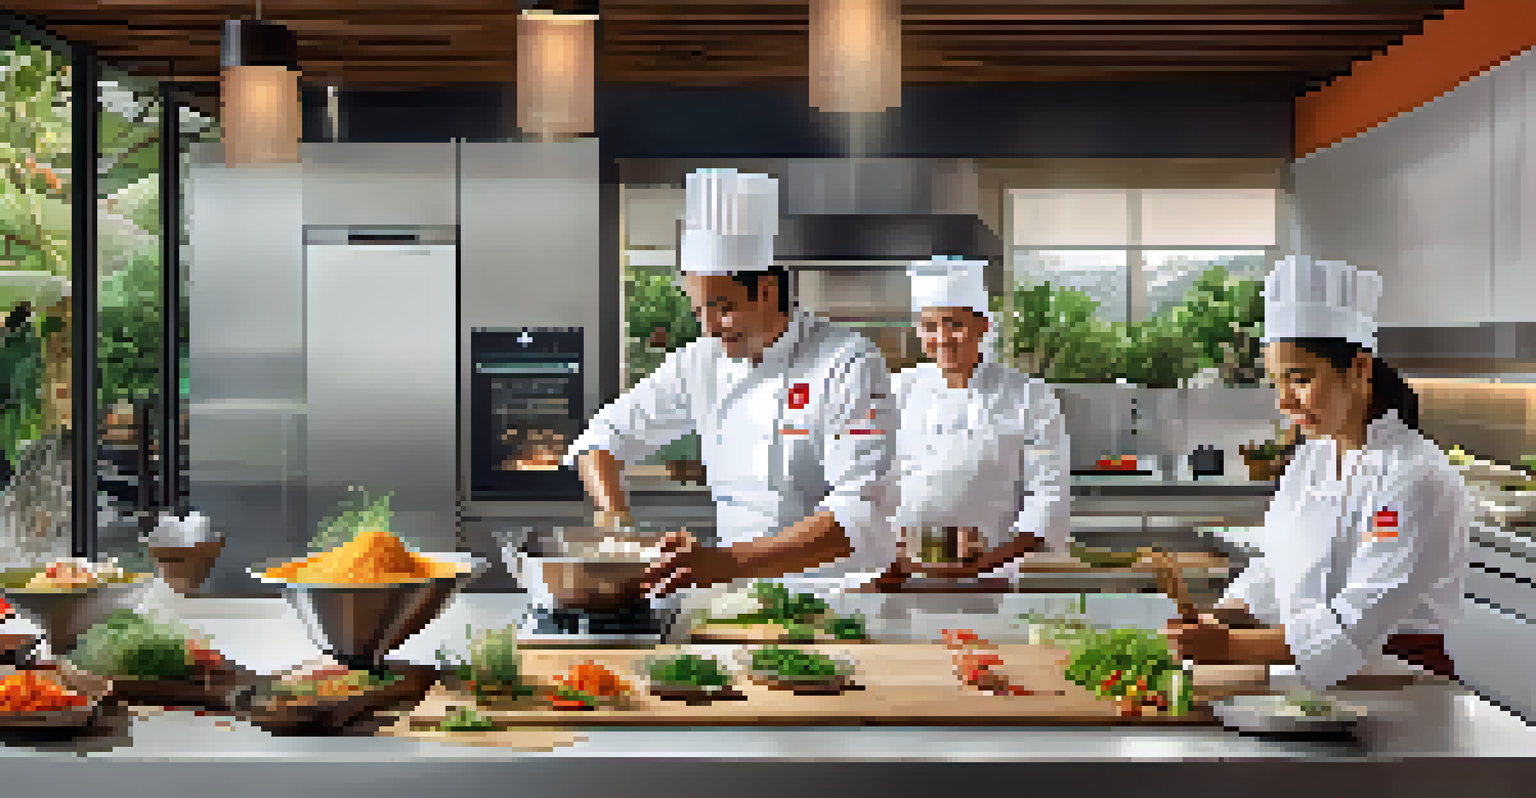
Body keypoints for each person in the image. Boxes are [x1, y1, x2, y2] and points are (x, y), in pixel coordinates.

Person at [562, 168, 896, 615]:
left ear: (767, 289)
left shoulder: (847, 363)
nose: (709, 328)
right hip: (739, 601)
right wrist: (620, 527)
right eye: (699, 310)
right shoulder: (700, 361)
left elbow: (859, 513)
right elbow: (601, 439)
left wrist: (722, 562)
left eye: (722, 308)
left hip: (839, 598)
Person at [1164, 255, 1472, 690]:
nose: (1284, 402)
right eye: (1276, 383)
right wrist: (1223, 615)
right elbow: (1277, 569)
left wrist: (1230, 647)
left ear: (1360, 369)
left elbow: (1358, 620)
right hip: (1309, 689)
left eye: (1300, 379)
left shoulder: (1416, 476)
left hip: (1399, 688)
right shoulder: (1311, 459)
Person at [877, 257, 1070, 588]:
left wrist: (986, 564)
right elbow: (868, 479)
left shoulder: (1028, 396)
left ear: (983, 325)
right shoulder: (895, 390)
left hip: (991, 574)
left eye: (954, 323)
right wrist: (883, 555)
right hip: (898, 574)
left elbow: (1048, 494)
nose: (942, 338)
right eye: (929, 326)